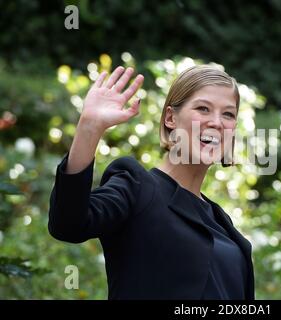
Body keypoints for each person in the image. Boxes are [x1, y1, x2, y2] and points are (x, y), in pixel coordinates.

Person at [48, 64, 255, 300]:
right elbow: (68, 224)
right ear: (170, 118)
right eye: (203, 109)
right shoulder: (137, 187)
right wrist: (89, 128)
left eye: (228, 114)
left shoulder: (221, 221)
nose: (217, 122)